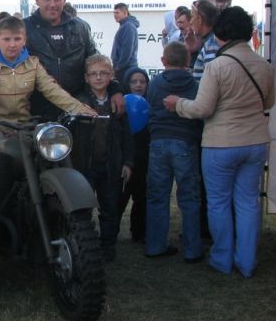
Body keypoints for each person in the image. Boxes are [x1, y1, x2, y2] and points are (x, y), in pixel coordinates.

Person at [163, 7, 275, 278]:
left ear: (221, 33)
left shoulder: (217, 66)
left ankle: (222, 258)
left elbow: (202, 109)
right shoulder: (265, 65)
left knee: (219, 202)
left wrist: (178, 104)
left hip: (221, 143)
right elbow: (269, 103)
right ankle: (246, 262)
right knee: (248, 202)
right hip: (256, 141)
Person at [0, 0, 124, 119]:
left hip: (76, 106)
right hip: (34, 109)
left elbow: (96, 62)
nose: (52, 4)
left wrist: (114, 88)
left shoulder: (80, 28)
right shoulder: (24, 28)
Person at [0, 16, 97, 177]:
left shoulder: (33, 64)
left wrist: (80, 108)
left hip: (23, 126)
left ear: (24, 40)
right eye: (6, 39)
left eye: (17, 39)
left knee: (46, 161)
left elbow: (52, 90)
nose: (12, 44)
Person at [69, 55, 134, 262]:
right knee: (83, 208)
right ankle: (85, 244)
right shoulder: (78, 102)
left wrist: (128, 162)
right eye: (94, 74)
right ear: (86, 78)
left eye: (103, 73)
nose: (98, 77)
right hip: (84, 166)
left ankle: (108, 245)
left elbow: (127, 136)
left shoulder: (118, 104)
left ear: (111, 76)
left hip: (111, 165)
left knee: (110, 208)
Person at [145, 42, 203, 261]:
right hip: (186, 143)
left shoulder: (155, 83)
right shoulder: (196, 84)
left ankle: (155, 245)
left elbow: (150, 108)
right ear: (188, 61)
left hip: (158, 142)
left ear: (163, 60)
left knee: (157, 196)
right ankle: (192, 249)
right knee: (189, 198)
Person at [117, 66, 150, 244]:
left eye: (142, 81)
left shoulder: (150, 104)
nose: (138, 85)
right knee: (120, 198)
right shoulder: (120, 104)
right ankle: (110, 233)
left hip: (144, 160)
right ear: (127, 84)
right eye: (134, 81)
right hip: (124, 161)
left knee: (141, 197)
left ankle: (139, 233)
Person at [191, 0, 220, 80]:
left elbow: (212, 81)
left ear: (199, 19)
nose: (190, 21)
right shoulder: (209, 41)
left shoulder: (212, 45)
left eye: (192, 16)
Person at [111, 3, 139, 85]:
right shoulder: (124, 25)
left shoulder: (128, 26)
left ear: (125, 13)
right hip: (124, 68)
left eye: (117, 13)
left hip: (126, 69)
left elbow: (127, 50)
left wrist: (118, 67)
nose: (115, 15)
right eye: (114, 13)